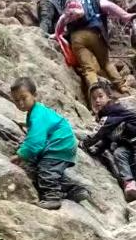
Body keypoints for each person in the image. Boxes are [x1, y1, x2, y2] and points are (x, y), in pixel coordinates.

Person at [10, 76, 89, 210]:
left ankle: (52, 198)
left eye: (24, 98)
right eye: (17, 100)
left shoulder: (37, 114)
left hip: (59, 145)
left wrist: (21, 155)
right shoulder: (37, 111)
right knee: (51, 172)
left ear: (34, 95)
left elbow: (35, 141)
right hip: (63, 144)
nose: (21, 103)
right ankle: (75, 190)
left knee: (46, 170)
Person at [82, 80, 136, 201]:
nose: (97, 100)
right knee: (119, 153)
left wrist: (84, 143)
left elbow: (98, 133)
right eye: (93, 98)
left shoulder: (111, 110)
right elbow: (107, 138)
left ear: (108, 97)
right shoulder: (105, 115)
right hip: (130, 141)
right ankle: (129, 184)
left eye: (100, 96)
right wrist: (97, 150)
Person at [54, 0, 136, 95]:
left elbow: (60, 25)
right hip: (95, 33)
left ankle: (96, 95)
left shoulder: (68, 8)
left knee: (88, 69)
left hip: (77, 39)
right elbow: (108, 5)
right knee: (106, 63)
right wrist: (125, 16)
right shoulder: (93, 1)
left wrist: (55, 35)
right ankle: (121, 86)